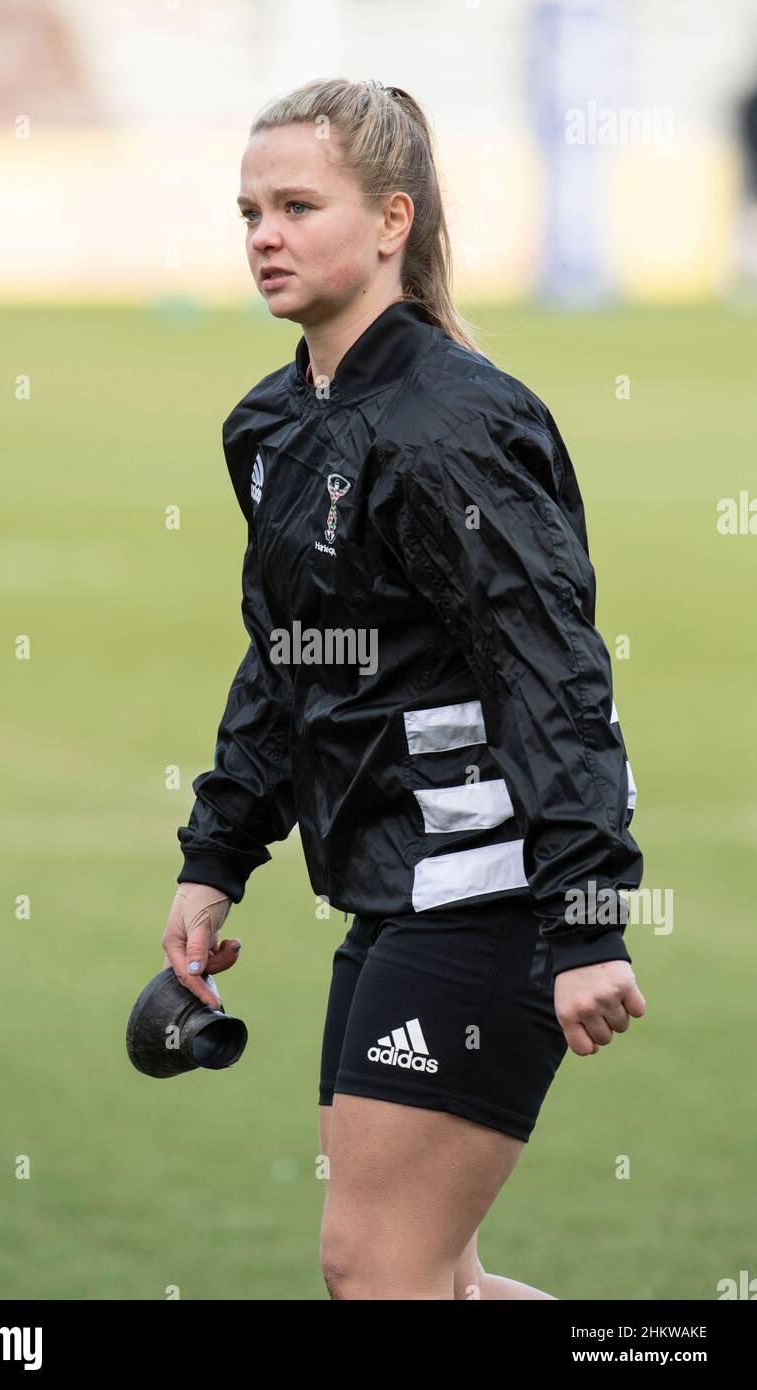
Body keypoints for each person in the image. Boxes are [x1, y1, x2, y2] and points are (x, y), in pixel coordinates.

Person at [162, 77, 647, 1301]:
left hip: (492, 893)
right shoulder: (270, 423)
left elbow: (549, 669)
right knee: (428, 1281)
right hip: (391, 886)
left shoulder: (452, 424)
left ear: (391, 220)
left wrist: (585, 918)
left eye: (294, 205)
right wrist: (217, 854)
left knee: (378, 1272)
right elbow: (286, 653)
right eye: (247, 212)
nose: (263, 235)